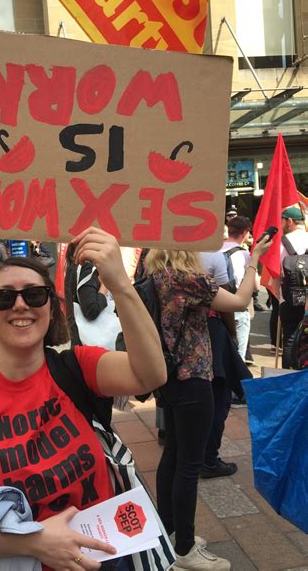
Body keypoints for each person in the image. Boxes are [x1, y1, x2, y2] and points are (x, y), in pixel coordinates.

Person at [0, 227, 167, 569]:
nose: (20, 304)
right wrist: (33, 541)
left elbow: (151, 375)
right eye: (4, 297)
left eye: (34, 295)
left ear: (51, 308)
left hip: (109, 554)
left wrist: (120, 283)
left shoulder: (77, 366)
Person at [147, 235, 271, 570]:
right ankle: (185, 549)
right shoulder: (188, 280)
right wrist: (254, 258)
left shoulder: (155, 279)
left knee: (172, 455)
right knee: (189, 464)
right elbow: (242, 299)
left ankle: (170, 531)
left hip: (168, 378)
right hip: (194, 378)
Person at [199, 249, 251, 479]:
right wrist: (256, 257)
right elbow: (233, 303)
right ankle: (208, 460)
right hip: (210, 338)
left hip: (179, 347)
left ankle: (193, 453)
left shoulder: (160, 261)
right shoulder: (211, 258)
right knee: (218, 398)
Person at [64, 242, 112, 346]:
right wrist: (104, 286)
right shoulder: (87, 268)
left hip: (79, 340)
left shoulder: (73, 267)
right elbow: (91, 310)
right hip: (89, 347)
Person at [278, 206, 308, 368]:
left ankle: (288, 375)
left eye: (283, 220)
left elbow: (278, 270)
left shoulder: (283, 242)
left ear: (290, 221)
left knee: (289, 337)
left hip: (289, 297)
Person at [222, 216, 254, 364]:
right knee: (238, 358)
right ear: (245, 232)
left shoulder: (215, 249)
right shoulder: (244, 254)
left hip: (218, 306)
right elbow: (254, 285)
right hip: (238, 306)